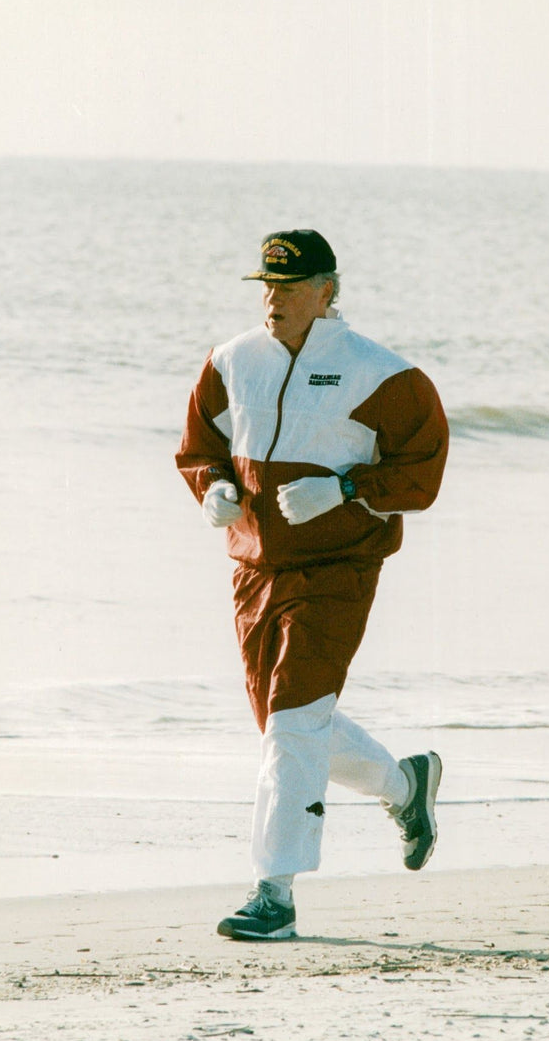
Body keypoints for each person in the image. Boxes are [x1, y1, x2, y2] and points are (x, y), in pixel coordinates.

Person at [175, 229, 449, 941]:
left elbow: (422, 470)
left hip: (338, 570)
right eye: (266, 286)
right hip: (254, 568)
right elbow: (198, 446)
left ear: (327, 291)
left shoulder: (381, 375)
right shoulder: (231, 361)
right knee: (285, 726)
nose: (274, 300)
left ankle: (275, 893)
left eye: (290, 288)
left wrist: (348, 487)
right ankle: (405, 787)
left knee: (295, 722)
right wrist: (212, 487)